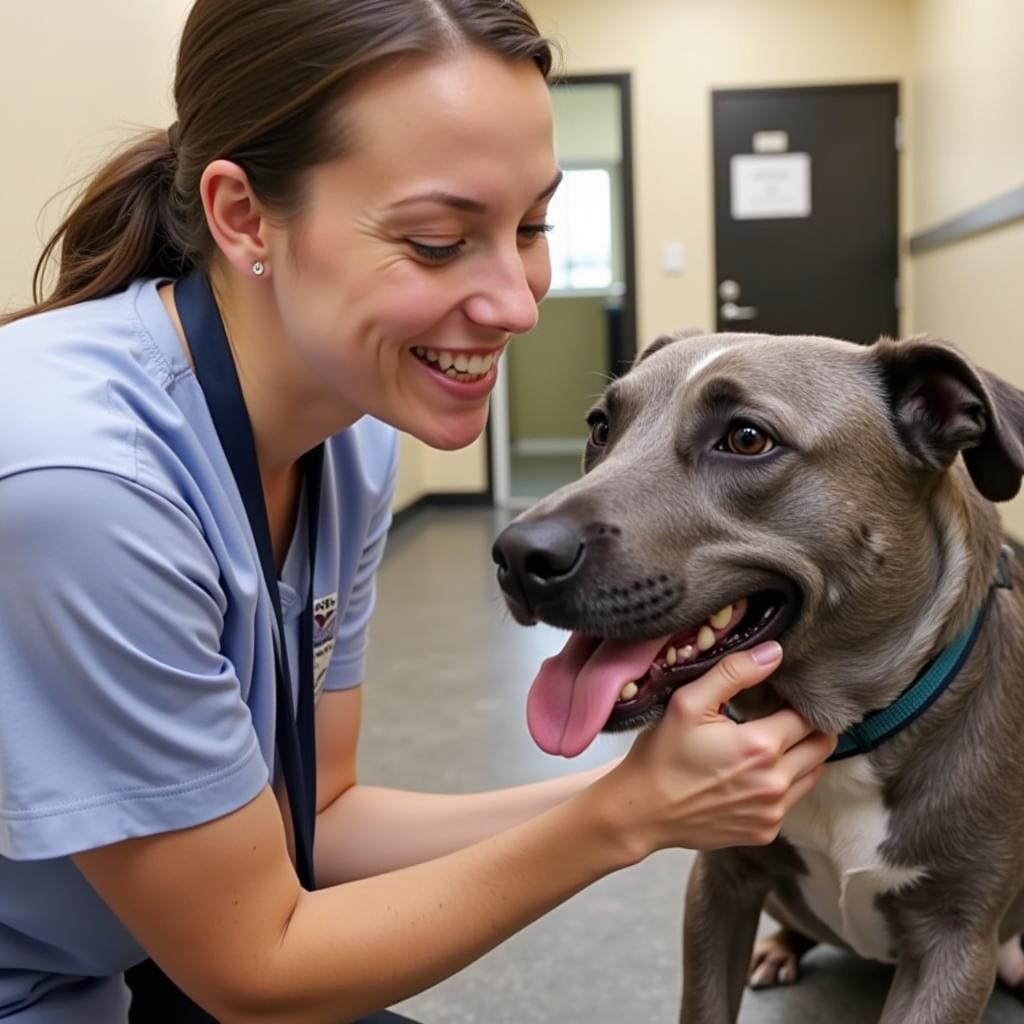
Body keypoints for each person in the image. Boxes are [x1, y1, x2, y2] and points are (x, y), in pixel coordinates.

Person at [0, 1, 837, 1021]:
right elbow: (256, 970)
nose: (517, 302)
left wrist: (654, 793)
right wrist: (618, 818)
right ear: (241, 215)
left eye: (529, 226)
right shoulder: (83, 486)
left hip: (126, 965)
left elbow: (323, 817)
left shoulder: (345, 432)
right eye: (439, 241)